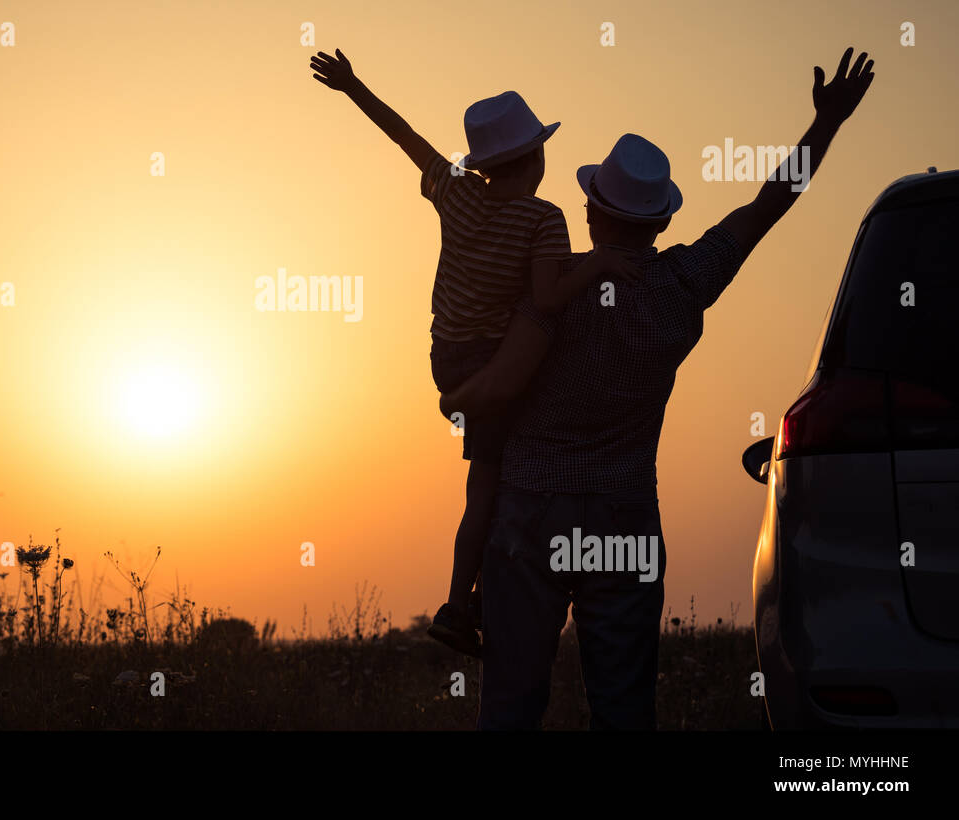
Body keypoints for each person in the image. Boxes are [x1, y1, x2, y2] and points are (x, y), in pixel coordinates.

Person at [441, 48, 876, 727]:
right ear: (664, 222)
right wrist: (826, 123)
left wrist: (456, 402)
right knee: (624, 710)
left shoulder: (548, 295)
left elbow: (485, 365)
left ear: (589, 213)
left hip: (529, 512)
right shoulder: (684, 288)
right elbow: (769, 205)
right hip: (625, 518)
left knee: (510, 705)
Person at [310, 48, 638, 655]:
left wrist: (353, 86)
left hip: (446, 353)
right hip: (494, 363)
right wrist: (597, 266)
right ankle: (462, 603)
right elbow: (547, 293)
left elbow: (404, 135)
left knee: (488, 479)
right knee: (490, 486)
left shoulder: (456, 192)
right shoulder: (544, 219)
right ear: (537, 157)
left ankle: (475, 596)